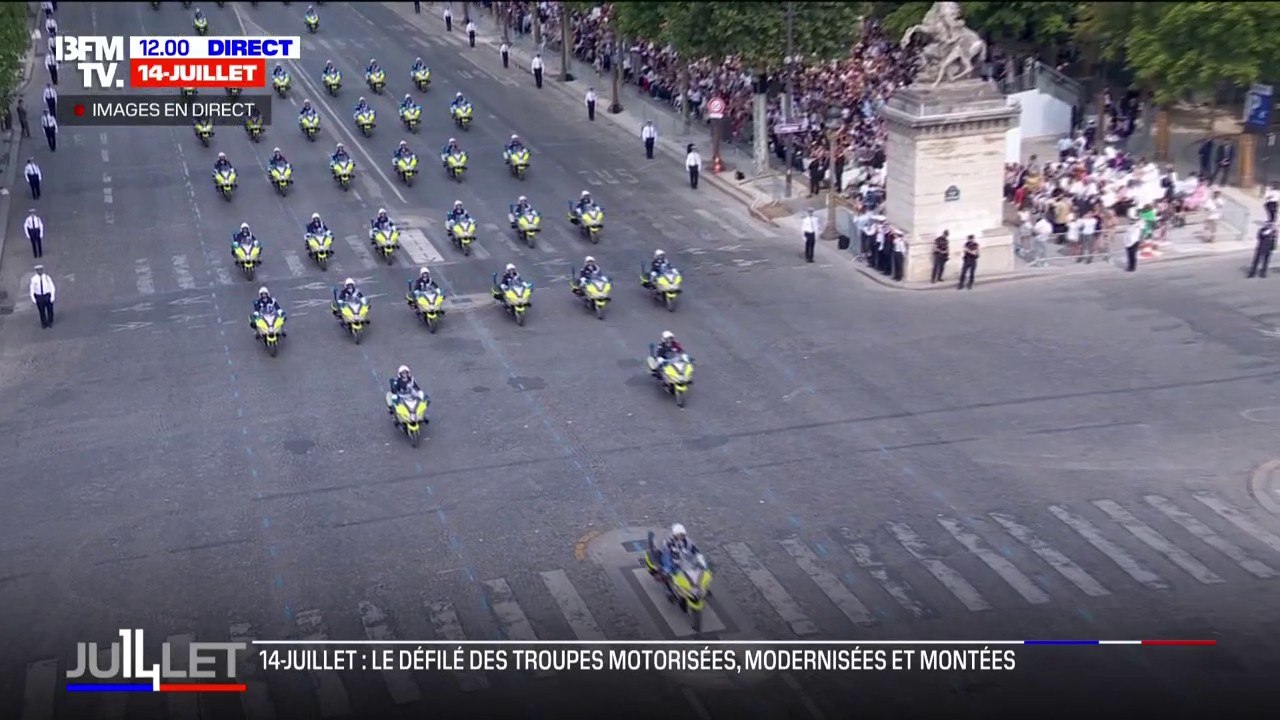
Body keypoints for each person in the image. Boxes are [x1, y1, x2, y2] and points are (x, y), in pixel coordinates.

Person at [30, 264, 56, 329]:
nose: (39, 271)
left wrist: (52, 296)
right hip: (39, 296)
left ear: (42, 270)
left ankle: (50, 321)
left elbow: (52, 287)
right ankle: (44, 323)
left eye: (40, 270)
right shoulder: (33, 279)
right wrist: (33, 298)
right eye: (38, 270)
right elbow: (32, 289)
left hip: (47, 295)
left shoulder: (47, 277)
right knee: (41, 311)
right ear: (36, 271)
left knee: (50, 309)